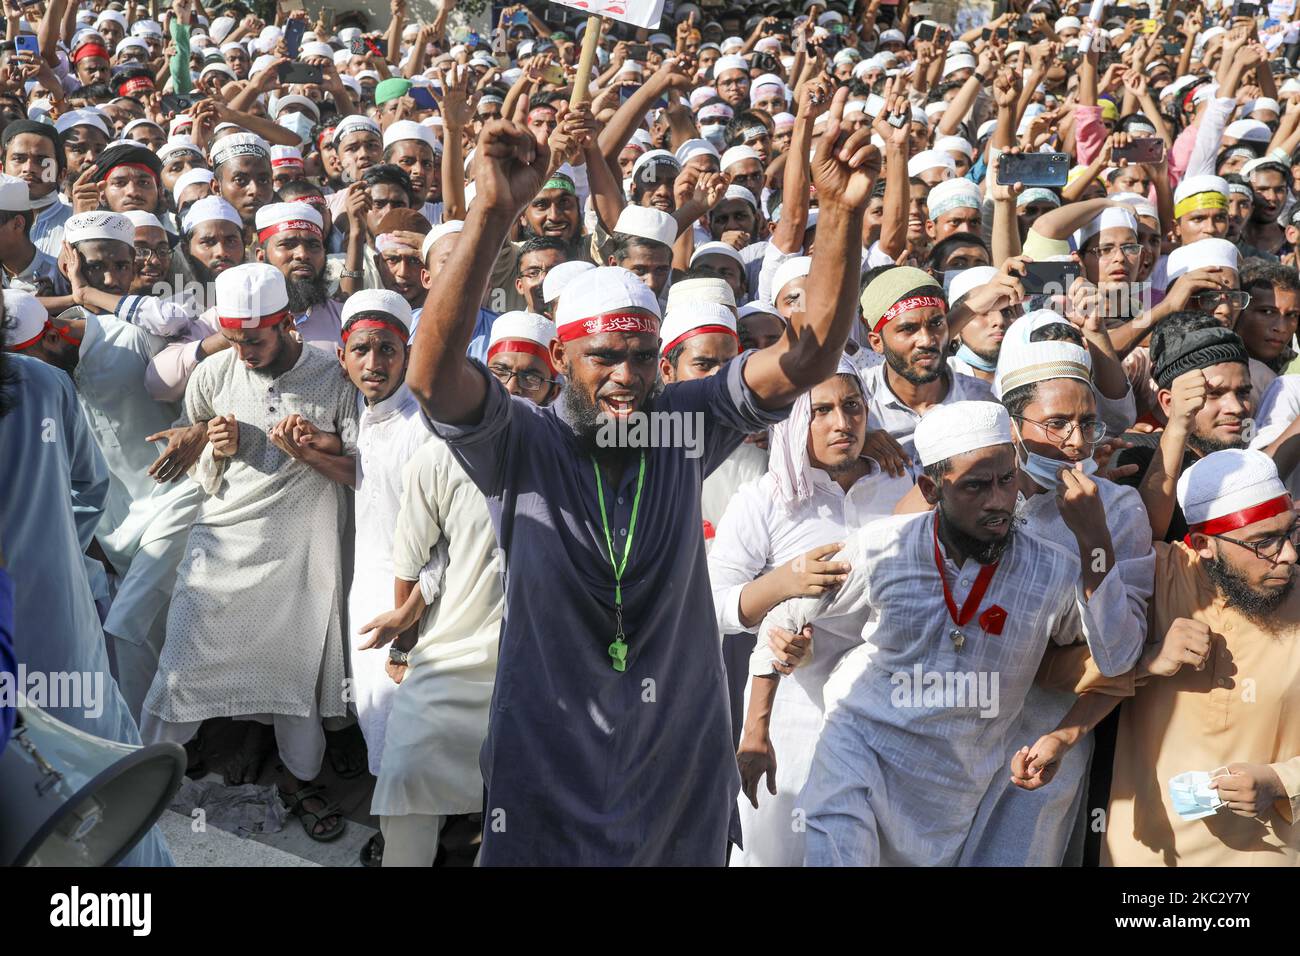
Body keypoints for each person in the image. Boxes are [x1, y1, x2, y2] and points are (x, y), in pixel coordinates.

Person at [405, 89, 878, 865]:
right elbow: (430, 377)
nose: (624, 378)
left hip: (677, 748)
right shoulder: (518, 442)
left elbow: (808, 359)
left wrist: (841, 218)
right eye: (603, 359)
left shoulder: (683, 424)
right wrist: (491, 212)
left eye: (639, 359)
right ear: (560, 362)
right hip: (545, 744)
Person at [759, 401, 1084, 866]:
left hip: (947, 793)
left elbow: (1115, 651)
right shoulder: (883, 545)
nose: (998, 500)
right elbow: (786, 612)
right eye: (976, 485)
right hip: (858, 750)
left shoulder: (1052, 569)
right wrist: (756, 729)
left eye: (1007, 480)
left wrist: (1095, 541)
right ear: (932, 489)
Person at [140, 262, 359, 842]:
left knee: (292, 672)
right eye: (234, 339)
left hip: (299, 552)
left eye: (254, 339)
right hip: (221, 542)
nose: (243, 352)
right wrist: (213, 443)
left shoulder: (334, 376)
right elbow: (201, 458)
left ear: (287, 323)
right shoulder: (212, 371)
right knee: (182, 662)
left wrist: (315, 442)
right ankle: (139, 775)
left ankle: (300, 777)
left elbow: (362, 462)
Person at [1011, 449, 1300, 866]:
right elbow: (1055, 666)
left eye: (1291, 533)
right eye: (1265, 543)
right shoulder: (1156, 576)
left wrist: (1280, 781)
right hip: (1143, 850)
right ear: (1203, 544)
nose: (1288, 554)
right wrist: (1063, 737)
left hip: (1268, 854)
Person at [365, 312, 560, 868]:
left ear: (554, 384)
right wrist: (404, 644)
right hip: (448, 660)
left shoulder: (568, 456)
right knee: (406, 785)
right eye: (500, 372)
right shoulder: (438, 456)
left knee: (517, 811)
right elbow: (413, 559)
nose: (513, 388)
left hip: (536, 673)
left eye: (530, 377)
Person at [710, 358, 909, 866]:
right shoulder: (766, 499)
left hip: (891, 712)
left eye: (852, 406)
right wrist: (782, 584)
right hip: (791, 718)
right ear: (795, 419)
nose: (841, 423)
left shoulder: (902, 482)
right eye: (820, 410)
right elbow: (712, 603)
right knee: (778, 851)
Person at [0, 289, 172, 866]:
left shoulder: (46, 386)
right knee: (102, 800)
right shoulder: (42, 386)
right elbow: (88, 488)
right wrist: (51, 556)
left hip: (49, 643)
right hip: (61, 641)